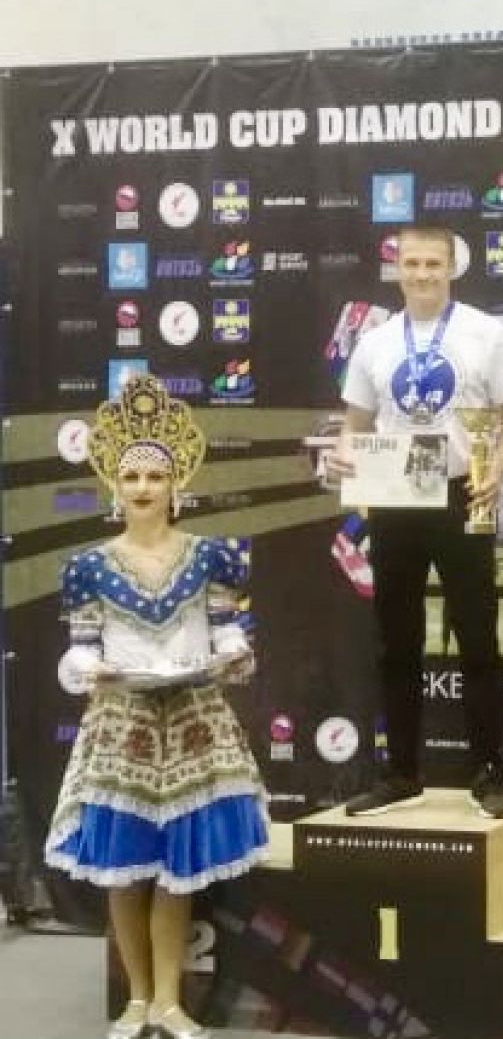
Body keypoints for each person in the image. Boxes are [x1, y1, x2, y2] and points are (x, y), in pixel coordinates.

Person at [44, 374, 268, 1039]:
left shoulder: (209, 557)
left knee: (179, 872)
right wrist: (90, 669)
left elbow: (227, 630)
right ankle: (137, 999)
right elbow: (78, 650)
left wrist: (235, 655)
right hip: (123, 725)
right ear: (114, 486)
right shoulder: (89, 566)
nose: (143, 486)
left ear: (177, 484)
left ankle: (170, 1001)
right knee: (125, 871)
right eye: (131, 475)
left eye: (155, 475)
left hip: (195, 720)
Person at [327, 225, 503, 819]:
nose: (421, 275)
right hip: (394, 493)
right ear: (396, 269)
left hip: (465, 491)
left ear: (451, 268)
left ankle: (488, 771)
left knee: (478, 634)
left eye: (432, 264)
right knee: (397, 640)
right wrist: (343, 456)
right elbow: (355, 425)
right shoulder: (375, 342)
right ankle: (400, 773)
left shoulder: (484, 333)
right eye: (411, 264)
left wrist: (499, 471)